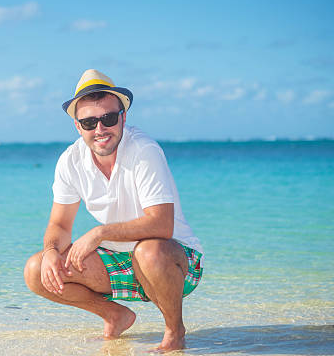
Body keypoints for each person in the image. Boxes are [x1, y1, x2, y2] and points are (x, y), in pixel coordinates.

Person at [24, 69, 204, 351]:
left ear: (122, 117)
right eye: (89, 122)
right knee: (37, 270)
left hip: (175, 262)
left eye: (108, 118)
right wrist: (50, 253)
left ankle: (174, 332)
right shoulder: (70, 161)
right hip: (121, 260)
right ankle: (114, 315)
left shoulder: (144, 151)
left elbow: (162, 225)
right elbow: (59, 225)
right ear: (77, 126)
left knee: (149, 251)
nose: (100, 130)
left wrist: (98, 234)